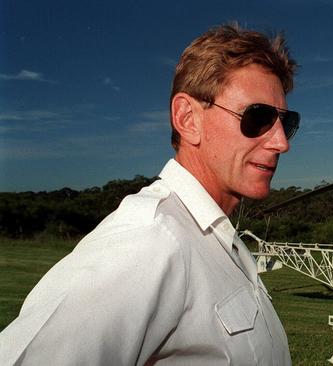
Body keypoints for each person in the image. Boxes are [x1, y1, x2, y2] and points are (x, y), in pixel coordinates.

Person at [0, 24, 299, 365]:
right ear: (188, 119)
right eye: (258, 118)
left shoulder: (217, 239)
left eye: (285, 122)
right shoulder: (150, 240)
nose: (281, 142)